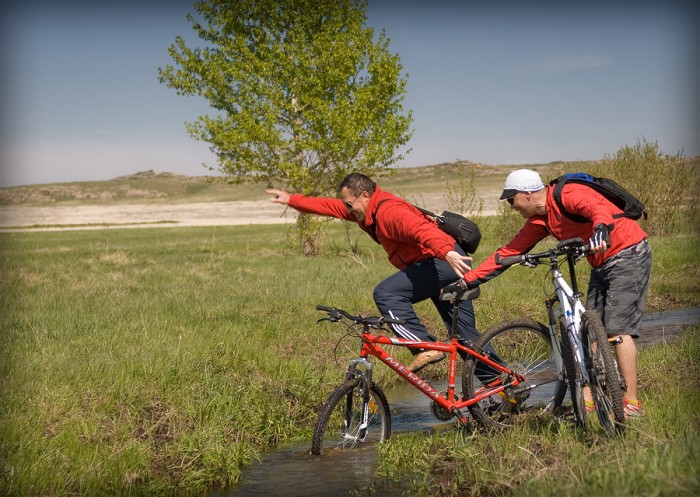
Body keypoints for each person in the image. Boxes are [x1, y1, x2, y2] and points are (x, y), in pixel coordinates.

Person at [446, 169, 651, 418]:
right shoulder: (540, 221)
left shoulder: (567, 194)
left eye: (511, 200)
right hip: (600, 261)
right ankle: (588, 400)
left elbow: (598, 209)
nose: (511, 206)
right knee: (591, 331)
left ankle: (631, 403)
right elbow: (506, 253)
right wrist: (466, 281)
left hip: (628, 252)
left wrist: (601, 229)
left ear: (527, 194)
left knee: (618, 329)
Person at [266, 172, 477, 372]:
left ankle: (424, 347)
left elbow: (423, 230)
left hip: (446, 261)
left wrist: (447, 252)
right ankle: (501, 387)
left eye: (350, 204)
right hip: (444, 261)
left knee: (387, 294)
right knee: (468, 340)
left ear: (365, 196)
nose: (348, 210)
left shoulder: (389, 213)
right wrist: (292, 200)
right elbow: (330, 206)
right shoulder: (368, 212)